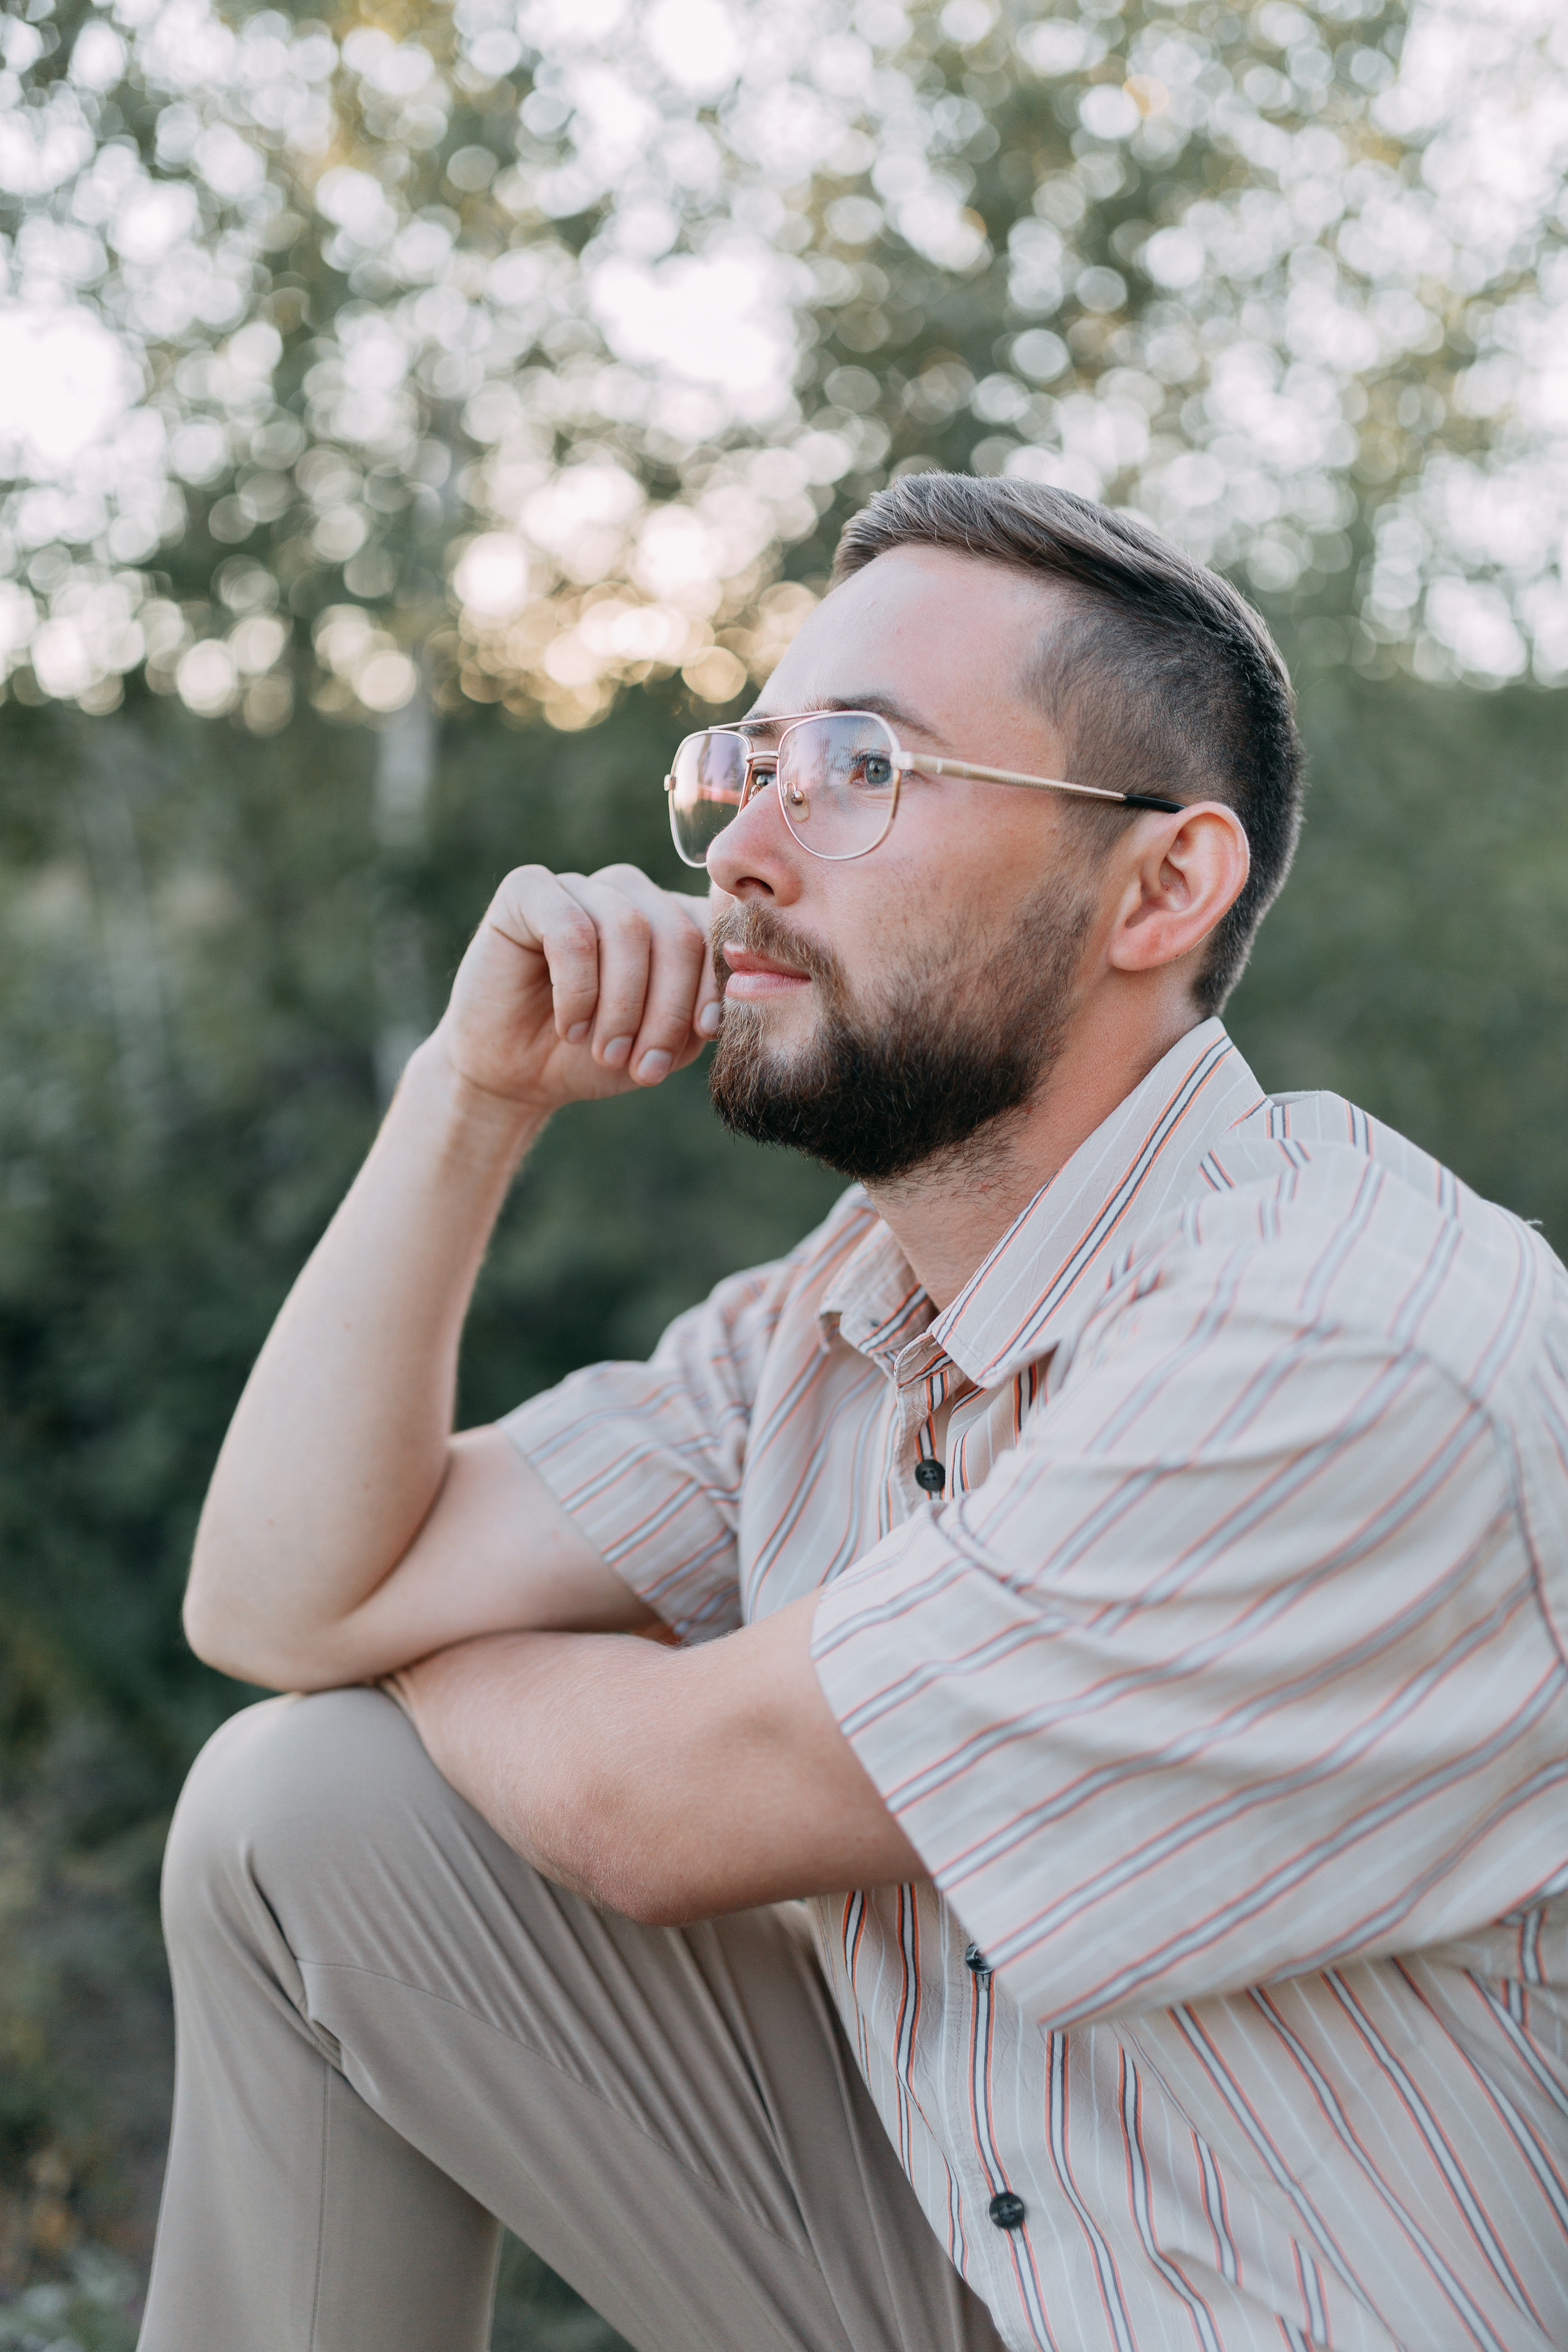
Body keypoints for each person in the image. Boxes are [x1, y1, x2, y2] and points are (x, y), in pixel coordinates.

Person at [141, 477, 1567, 2352]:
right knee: (306, 1811)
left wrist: (454, 1651)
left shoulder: (1337, 1346)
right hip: (997, 2272)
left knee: (366, 1748)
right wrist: (471, 1098)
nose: (742, 847)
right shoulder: (850, 1302)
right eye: (749, 765)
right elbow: (273, 1600)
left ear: (1161, 888)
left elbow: (647, 1811)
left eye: (859, 768)